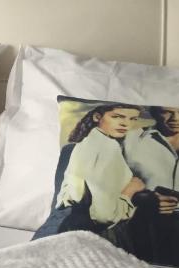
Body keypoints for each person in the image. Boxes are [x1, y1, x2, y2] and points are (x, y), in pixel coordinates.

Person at [36, 103, 151, 255]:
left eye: (132, 119)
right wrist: (129, 191)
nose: (126, 124)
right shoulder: (107, 147)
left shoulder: (88, 143)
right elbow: (105, 216)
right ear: (97, 117)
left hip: (71, 228)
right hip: (94, 236)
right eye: (117, 117)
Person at [124, 106, 179, 268]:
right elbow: (108, 183)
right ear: (154, 112)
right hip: (145, 223)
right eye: (167, 112)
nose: (176, 118)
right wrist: (141, 198)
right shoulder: (129, 141)